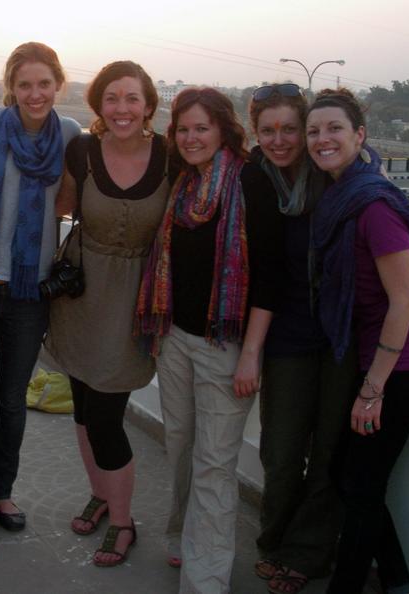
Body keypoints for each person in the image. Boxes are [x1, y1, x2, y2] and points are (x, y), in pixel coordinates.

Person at [305, 88, 409, 594]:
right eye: (314, 131)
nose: (323, 139)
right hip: (387, 361)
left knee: (360, 484)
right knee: (354, 480)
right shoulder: (351, 191)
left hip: (408, 366)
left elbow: (404, 302)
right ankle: (397, 581)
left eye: (334, 129)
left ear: (360, 136)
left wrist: (373, 389)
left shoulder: (372, 206)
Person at [135, 87, 283, 593]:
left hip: (227, 346)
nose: (192, 137)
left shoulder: (250, 182)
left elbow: (269, 278)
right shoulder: (182, 184)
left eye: (202, 127)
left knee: (215, 465)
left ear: (223, 129)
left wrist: (250, 356)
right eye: (183, 129)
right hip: (176, 338)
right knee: (180, 450)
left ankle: (206, 580)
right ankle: (182, 535)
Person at [0, 41, 81, 542]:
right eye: (25, 84)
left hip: (30, 290)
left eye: (44, 84)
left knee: (12, 400)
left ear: (57, 86)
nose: (35, 93)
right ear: (12, 86)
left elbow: (68, 205)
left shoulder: (70, 135)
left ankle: (4, 491)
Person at [45, 60, 169, 567]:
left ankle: (123, 522)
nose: (122, 108)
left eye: (131, 98)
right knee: (81, 404)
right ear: (98, 105)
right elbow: (58, 208)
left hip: (134, 302)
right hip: (80, 295)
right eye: (111, 98)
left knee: (106, 418)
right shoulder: (82, 150)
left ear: (148, 105)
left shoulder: (170, 155)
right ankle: (102, 494)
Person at [246, 83, 359, 594]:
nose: (280, 140)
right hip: (286, 333)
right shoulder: (255, 177)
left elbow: (384, 203)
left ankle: (308, 552)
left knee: (330, 449)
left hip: (340, 333)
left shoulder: (334, 177)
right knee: (283, 449)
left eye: (290, 128)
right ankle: (276, 541)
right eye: (268, 130)